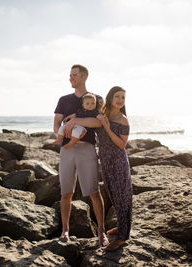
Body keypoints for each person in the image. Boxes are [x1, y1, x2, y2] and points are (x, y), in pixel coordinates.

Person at [53, 64, 109, 247]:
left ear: (84, 77)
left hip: (87, 149)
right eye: (70, 75)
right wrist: (62, 133)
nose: (70, 78)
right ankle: (65, 230)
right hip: (67, 150)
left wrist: (76, 120)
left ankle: (101, 232)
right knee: (66, 193)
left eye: (74, 75)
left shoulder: (96, 99)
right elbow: (56, 125)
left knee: (94, 192)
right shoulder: (63, 100)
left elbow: (99, 122)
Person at [96, 86, 132, 251]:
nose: (120, 100)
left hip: (118, 162)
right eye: (117, 96)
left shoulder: (122, 119)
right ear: (110, 97)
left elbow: (121, 144)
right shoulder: (104, 115)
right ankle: (122, 227)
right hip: (105, 161)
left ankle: (122, 237)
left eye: (123, 97)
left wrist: (107, 127)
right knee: (112, 194)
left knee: (121, 197)